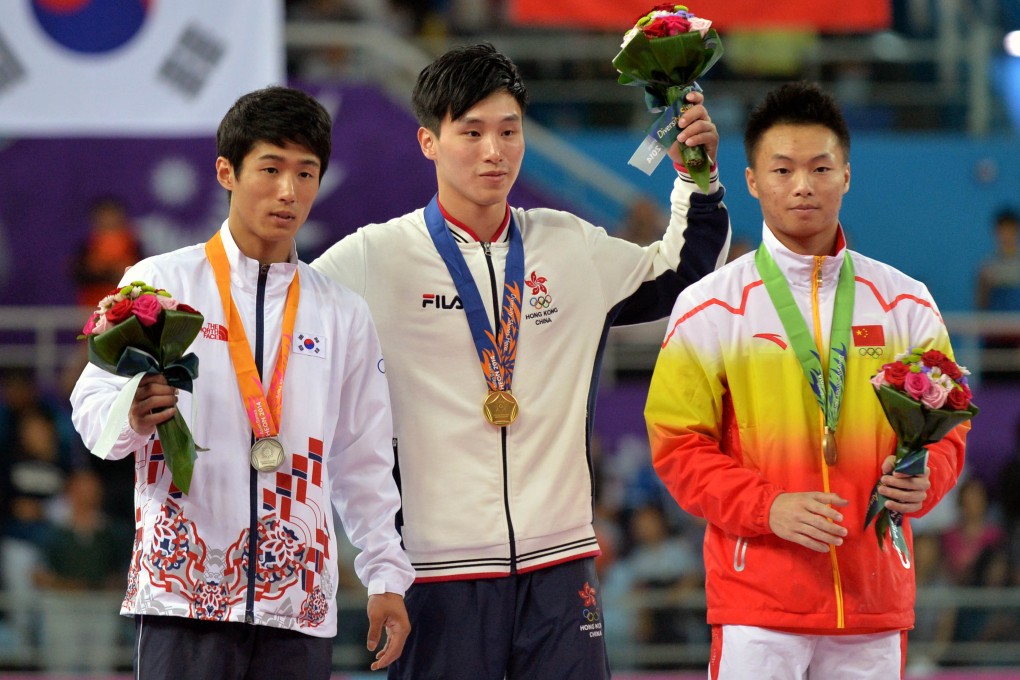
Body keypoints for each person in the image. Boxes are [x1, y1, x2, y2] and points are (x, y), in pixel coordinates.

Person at [310, 42, 731, 679]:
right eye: (471, 132)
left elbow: (686, 271)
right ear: (428, 141)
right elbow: (277, 325)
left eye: (509, 131)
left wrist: (696, 175)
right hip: (435, 573)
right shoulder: (371, 259)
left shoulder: (570, 247)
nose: (494, 150)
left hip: (561, 571)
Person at [69, 85, 413, 680]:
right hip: (182, 594)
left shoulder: (341, 312)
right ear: (227, 171)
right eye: (271, 168)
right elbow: (89, 405)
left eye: (307, 173)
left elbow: (363, 456)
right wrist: (132, 408)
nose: (289, 191)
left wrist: (385, 574)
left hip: (297, 602)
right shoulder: (160, 285)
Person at [644, 81, 969, 678]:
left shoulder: (904, 303)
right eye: (783, 169)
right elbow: (677, 447)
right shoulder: (710, 307)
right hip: (759, 605)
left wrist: (928, 479)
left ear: (847, 175)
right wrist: (769, 508)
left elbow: (945, 432)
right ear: (751, 181)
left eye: (821, 168)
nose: (803, 185)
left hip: (873, 601)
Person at [69, 195, 143, 308]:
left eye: (112, 214)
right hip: (93, 307)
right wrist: (107, 273)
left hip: (127, 308)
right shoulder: (88, 245)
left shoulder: (133, 245)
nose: (108, 219)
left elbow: (144, 275)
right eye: (104, 215)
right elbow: (77, 273)